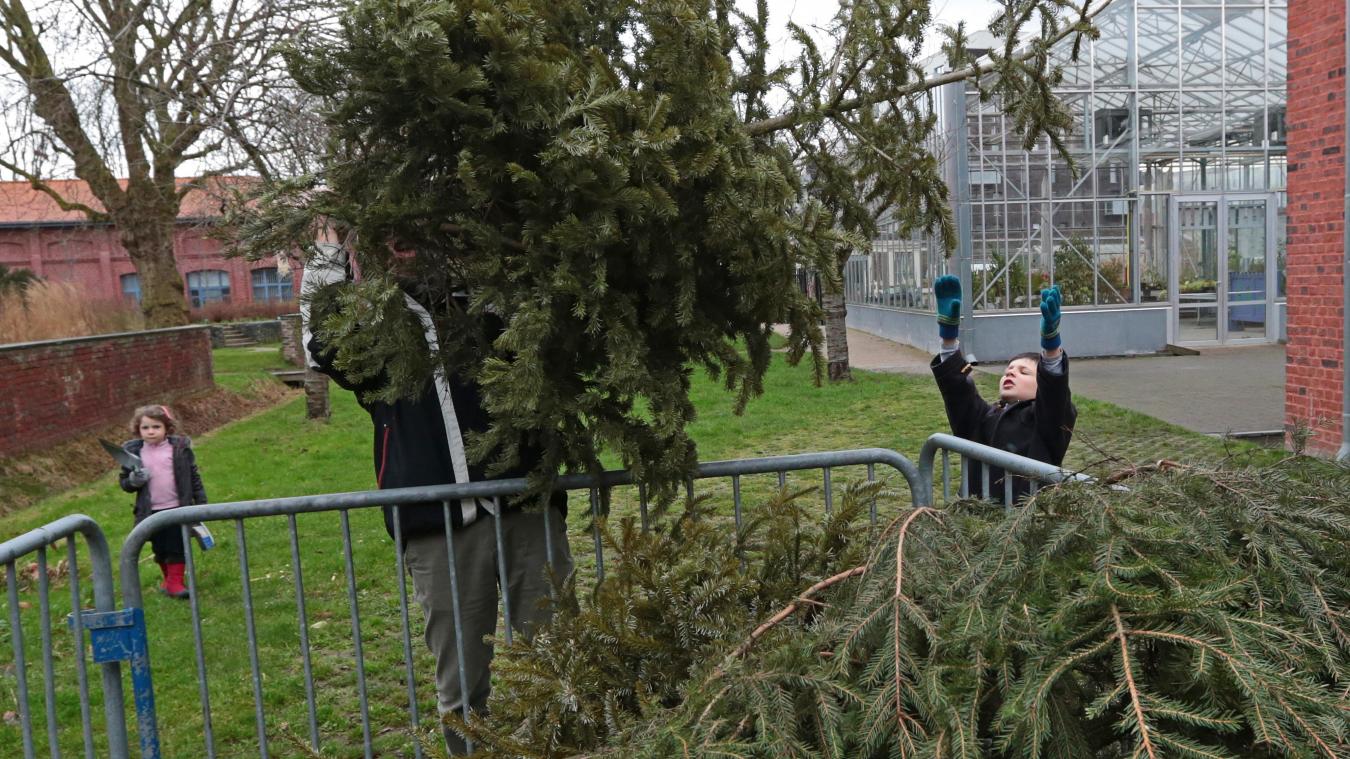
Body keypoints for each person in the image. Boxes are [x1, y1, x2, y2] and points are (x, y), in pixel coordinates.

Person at [300, 245, 573, 755]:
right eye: (393, 239)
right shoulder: (377, 328)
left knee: (560, 655)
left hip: (527, 508)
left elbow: (558, 335)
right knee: (462, 679)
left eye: (418, 236)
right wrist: (327, 246)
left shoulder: (495, 301)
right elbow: (323, 348)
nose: (407, 248)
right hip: (438, 525)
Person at [929, 275, 1076, 500]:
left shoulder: (1047, 421)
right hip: (975, 523)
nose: (1010, 373)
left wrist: (1052, 346)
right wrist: (948, 338)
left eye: (1023, 372)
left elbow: (1055, 395)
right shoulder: (984, 417)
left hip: (1023, 524)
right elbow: (958, 392)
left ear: (1042, 383)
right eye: (1008, 370)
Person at [118, 404, 208, 599]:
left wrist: (200, 500)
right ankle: (168, 580)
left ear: (167, 428)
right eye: (145, 428)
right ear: (138, 430)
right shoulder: (134, 454)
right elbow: (125, 483)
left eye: (156, 427)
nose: (151, 432)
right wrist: (134, 480)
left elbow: (193, 475)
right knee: (159, 547)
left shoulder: (178, 450)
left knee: (177, 544)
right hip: (150, 511)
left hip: (177, 507)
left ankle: (176, 583)